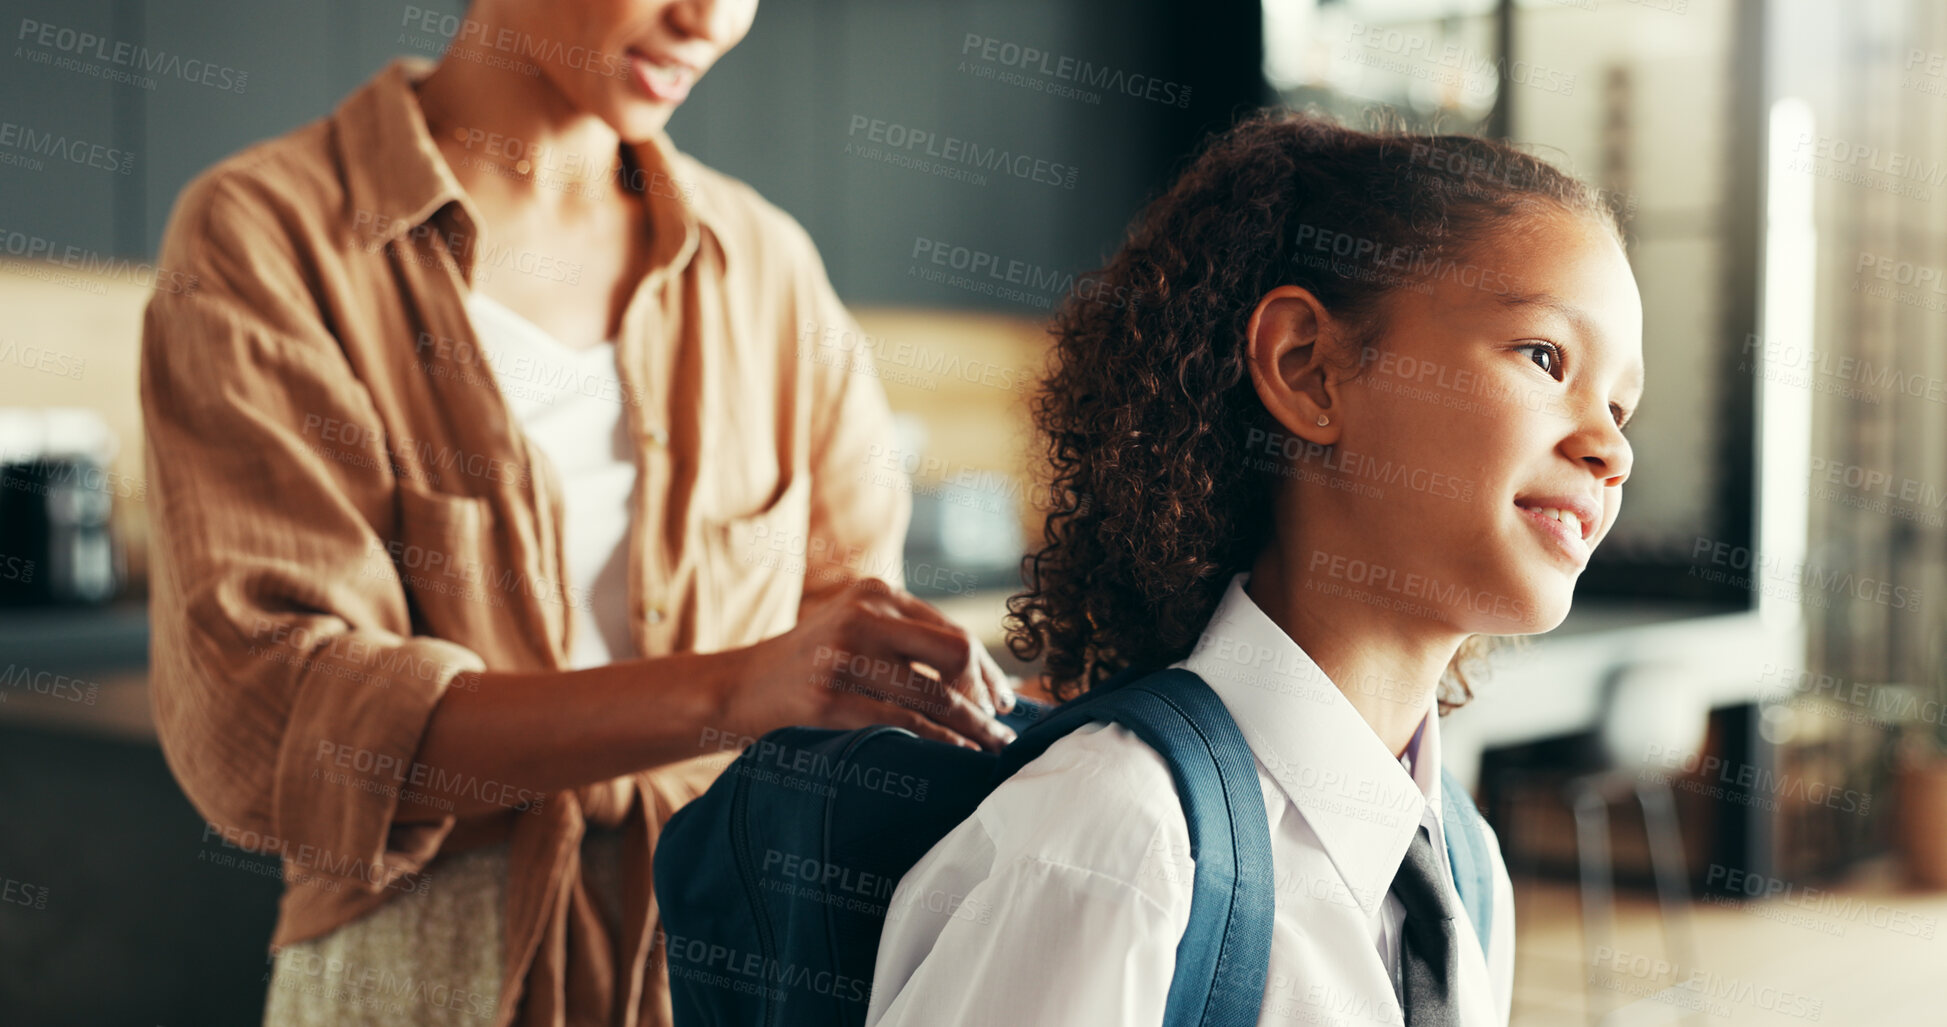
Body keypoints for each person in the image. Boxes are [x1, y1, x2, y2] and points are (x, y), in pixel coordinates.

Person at [138, 1, 1018, 1025]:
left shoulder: (772, 273)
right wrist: (728, 690)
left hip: (735, 973)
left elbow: (854, 675)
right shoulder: (265, 236)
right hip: (423, 982)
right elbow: (271, 714)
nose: (709, 21)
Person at [865, 111, 1643, 1027]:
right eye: (1544, 357)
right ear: (1307, 368)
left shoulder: (1465, 865)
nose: (1609, 449)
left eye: (1621, 407)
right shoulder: (1114, 848)